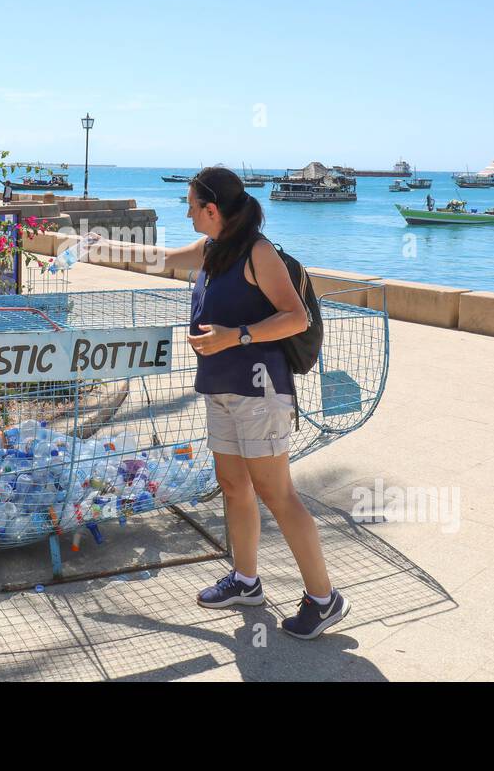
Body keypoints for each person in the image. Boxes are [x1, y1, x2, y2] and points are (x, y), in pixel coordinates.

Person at [82, 166, 350, 639]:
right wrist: (93, 245)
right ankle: (246, 581)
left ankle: (324, 599)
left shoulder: (257, 252)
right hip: (221, 389)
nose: (185, 212)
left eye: (191, 205)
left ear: (212, 210)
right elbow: (160, 257)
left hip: (261, 392)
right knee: (232, 484)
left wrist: (237, 336)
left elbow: (295, 317)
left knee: (277, 493)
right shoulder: (212, 252)